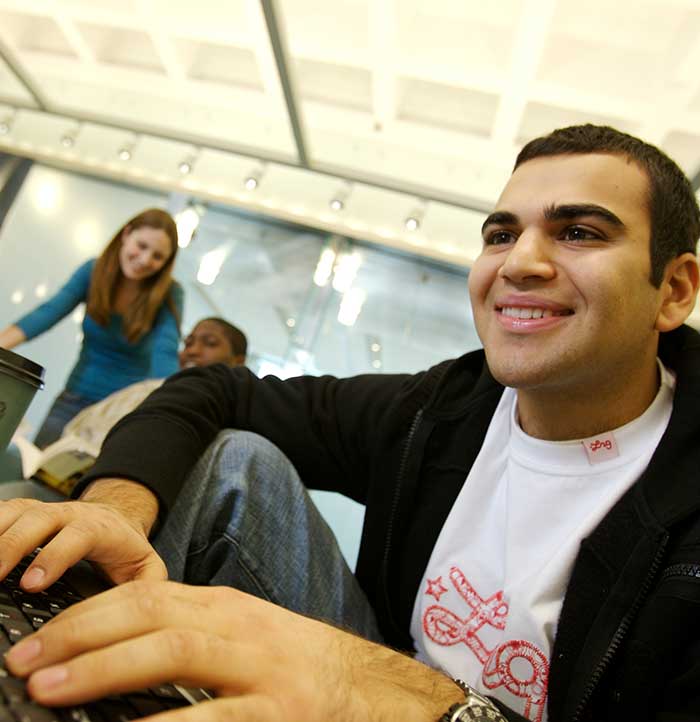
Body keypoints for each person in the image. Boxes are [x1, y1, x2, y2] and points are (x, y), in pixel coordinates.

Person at [0, 124, 698, 722]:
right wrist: (117, 507)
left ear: (673, 290)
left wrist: (423, 701)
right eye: (501, 234)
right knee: (235, 459)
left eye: (578, 232)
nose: (520, 262)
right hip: (376, 682)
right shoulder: (443, 408)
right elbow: (212, 389)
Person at [0, 208, 183, 448]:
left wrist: (175, 401)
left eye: (158, 256)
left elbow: (166, 349)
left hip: (121, 412)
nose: (145, 260)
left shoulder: (169, 293)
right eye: (141, 246)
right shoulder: (93, 272)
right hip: (73, 399)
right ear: (126, 234)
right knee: (36, 465)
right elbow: (48, 313)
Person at [61, 317, 247, 449]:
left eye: (210, 343)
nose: (192, 351)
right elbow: (78, 428)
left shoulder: (236, 422)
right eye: (188, 343)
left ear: (238, 362)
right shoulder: (147, 389)